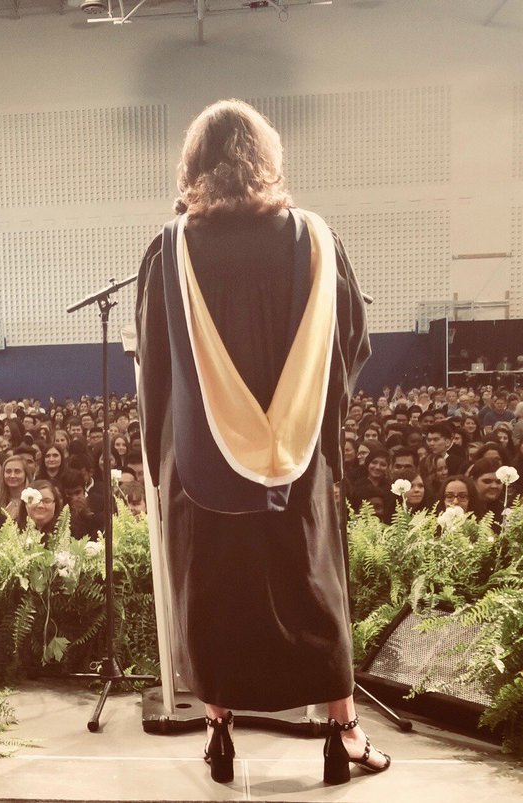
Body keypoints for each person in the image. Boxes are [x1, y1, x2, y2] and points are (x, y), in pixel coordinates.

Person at [134, 100, 384, 785]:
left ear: (192, 166)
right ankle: (341, 733)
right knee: (313, 587)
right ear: (269, 160)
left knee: (214, 593)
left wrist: (164, 456)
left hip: (202, 466)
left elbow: (156, 366)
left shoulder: (170, 248)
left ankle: (218, 731)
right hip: (299, 460)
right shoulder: (315, 239)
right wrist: (309, 425)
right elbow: (351, 343)